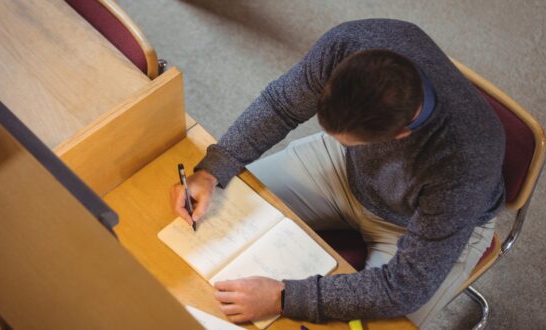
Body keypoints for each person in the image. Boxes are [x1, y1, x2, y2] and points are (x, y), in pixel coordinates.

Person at [170, 19, 505, 328]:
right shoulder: (351, 43)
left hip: (420, 222)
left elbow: (406, 285)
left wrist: (284, 297)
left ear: (399, 136)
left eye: (342, 135)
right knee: (211, 217)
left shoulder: (465, 159)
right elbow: (280, 106)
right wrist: (213, 170)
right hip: (345, 168)